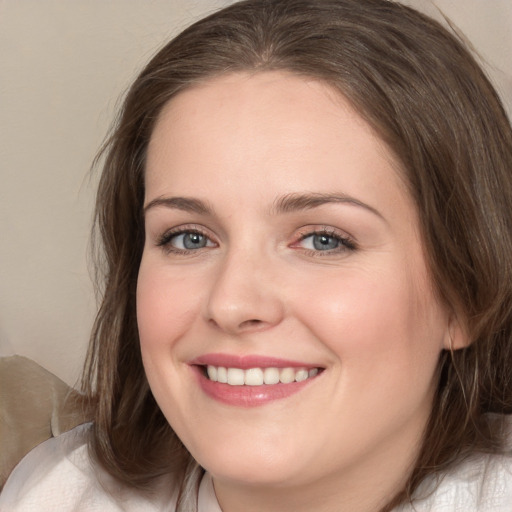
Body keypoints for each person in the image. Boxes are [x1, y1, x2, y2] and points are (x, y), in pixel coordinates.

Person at [1, 0, 512, 510]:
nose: (231, 303)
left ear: (464, 295)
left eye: (322, 239)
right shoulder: (56, 494)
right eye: (189, 238)